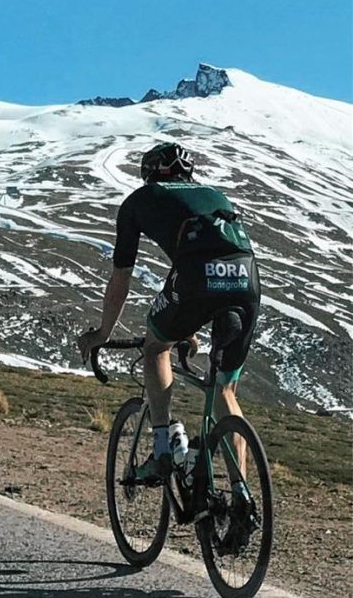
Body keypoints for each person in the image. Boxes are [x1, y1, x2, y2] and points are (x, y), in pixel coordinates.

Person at [78, 142, 260, 484]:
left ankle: (163, 448)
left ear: (149, 174)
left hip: (195, 280)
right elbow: (210, 257)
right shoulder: (216, 196)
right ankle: (242, 497)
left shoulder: (139, 201)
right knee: (224, 392)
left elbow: (122, 277)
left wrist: (103, 332)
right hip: (246, 280)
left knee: (155, 348)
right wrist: (187, 326)